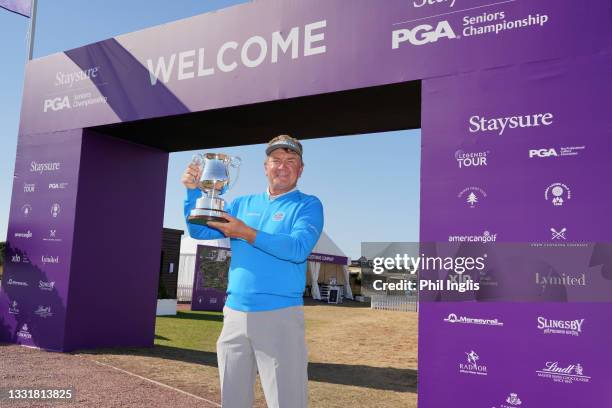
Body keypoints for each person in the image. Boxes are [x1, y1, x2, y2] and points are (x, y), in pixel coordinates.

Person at [182, 135, 324, 408]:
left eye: (291, 160)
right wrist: (192, 192)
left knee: (287, 402)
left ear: (301, 169)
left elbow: (298, 248)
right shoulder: (242, 204)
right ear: (265, 166)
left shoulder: (308, 205)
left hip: (279, 315)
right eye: (276, 160)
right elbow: (198, 229)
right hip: (234, 314)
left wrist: (245, 233)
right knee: (233, 401)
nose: (282, 166)